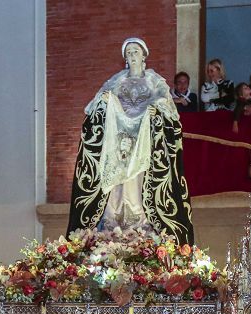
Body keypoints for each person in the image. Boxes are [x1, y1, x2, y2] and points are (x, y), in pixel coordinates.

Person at [67, 37, 195, 242]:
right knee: (118, 179)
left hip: (143, 140)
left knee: (138, 179)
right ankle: (113, 221)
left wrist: (157, 108)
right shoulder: (117, 80)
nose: (132, 55)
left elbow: (169, 107)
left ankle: (140, 222)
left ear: (144, 55)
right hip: (119, 141)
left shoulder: (154, 81)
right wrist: (105, 101)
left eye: (136, 51)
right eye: (129, 53)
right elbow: (93, 105)